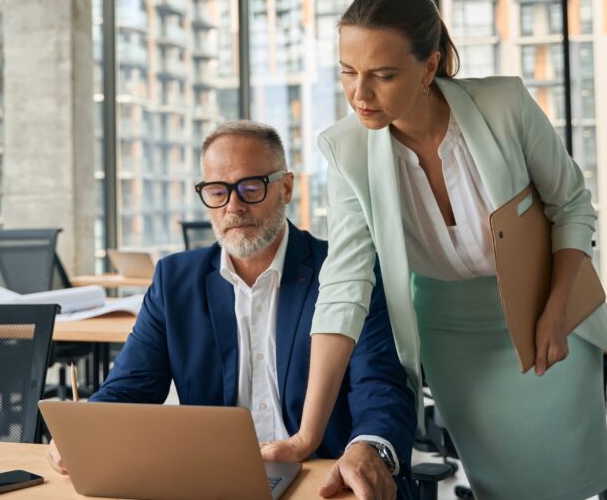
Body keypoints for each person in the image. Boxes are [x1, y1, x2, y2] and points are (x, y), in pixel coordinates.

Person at [261, 0, 607, 500]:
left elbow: (571, 206)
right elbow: (343, 286)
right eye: (347, 72)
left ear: (429, 67)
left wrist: (557, 310)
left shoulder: (504, 105)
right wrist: (306, 435)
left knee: (571, 482)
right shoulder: (348, 151)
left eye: (383, 76)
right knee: (500, 487)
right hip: (453, 338)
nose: (359, 94)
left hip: (547, 313)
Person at [47, 121, 416, 500]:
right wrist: (83, 434)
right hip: (214, 483)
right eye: (217, 191)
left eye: (251, 188)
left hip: (321, 480)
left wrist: (368, 448)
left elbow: (379, 384)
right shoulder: (176, 280)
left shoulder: (343, 270)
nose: (233, 207)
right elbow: (129, 389)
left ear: (286, 187)